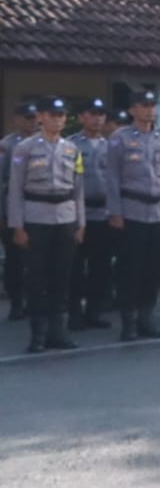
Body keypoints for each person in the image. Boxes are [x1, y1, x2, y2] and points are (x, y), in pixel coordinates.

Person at [7, 97, 85, 353]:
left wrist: (80, 223)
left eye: (62, 115)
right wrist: (17, 226)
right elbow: (15, 190)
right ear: (41, 117)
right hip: (36, 218)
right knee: (37, 279)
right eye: (53, 114)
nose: (59, 119)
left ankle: (57, 331)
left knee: (61, 278)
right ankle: (37, 334)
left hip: (65, 218)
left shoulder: (72, 149)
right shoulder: (25, 148)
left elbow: (78, 189)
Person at [105, 90, 160, 342]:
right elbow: (111, 178)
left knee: (153, 270)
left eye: (152, 105)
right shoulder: (119, 138)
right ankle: (129, 322)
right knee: (130, 269)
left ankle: (147, 319)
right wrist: (115, 212)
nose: (149, 110)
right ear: (133, 110)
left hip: (157, 212)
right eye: (143, 106)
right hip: (132, 211)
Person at [69, 97, 115, 330]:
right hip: (79, 214)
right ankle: (74, 313)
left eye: (101, 114)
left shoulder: (111, 146)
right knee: (75, 267)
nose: (97, 118)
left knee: (100, 267)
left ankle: (94, 311)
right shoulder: (70, 145)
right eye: (91, 113)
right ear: (81, 117)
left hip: (103, 214)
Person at [2, 99, 39, 320]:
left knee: (38, 260)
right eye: (27, 118)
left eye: (35, 118)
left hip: (38, 209)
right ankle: (16, 303)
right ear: (17, 120)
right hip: (13, 210)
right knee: (15, 260)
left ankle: (36, 301)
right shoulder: (7, 145)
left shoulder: (45, 143)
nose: (32, 122)